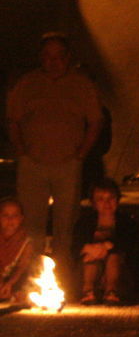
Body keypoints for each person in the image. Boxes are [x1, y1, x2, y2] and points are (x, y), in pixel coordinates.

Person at [5, 33, 103, 280]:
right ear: (41, 58)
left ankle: (62, 280)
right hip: (33, 165)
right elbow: (12, 120)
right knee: (32, 228)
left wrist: (80, 155)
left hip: (67, 165)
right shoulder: (27, 84)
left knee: (66, 227)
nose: (53, 61)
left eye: (59, 56)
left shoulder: (81, 85)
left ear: (68, 58)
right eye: (48, 56)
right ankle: (30, 280)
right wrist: (22, 152)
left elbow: (95, 122)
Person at [72, 178, 139, 305]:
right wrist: (91, 249)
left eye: (111, 198)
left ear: (117, 200)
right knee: (91, 257)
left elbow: (128, 245)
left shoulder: (127, 223)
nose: (107, 203)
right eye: (101, 199)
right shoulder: (84, 222)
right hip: (87, 271)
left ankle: (111, 291)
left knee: (114, 256)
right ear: (93, 202)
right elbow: (76, 247)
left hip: (120, 274)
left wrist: (106, 246)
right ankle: (88, 291)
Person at [0, 197, 37, 304]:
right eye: (5, 215)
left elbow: (22, 267)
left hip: (13, 278)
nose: (10, 220)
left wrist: (10, 283)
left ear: (21, 218)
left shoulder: (26, 242)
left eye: (14, 216)